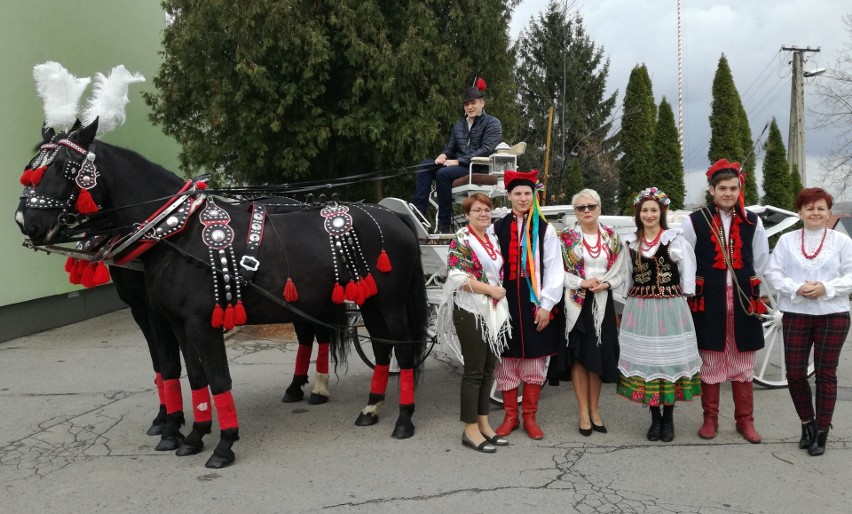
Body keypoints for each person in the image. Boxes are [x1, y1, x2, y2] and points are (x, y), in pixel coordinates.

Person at [681, 158, 770, 443]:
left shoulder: (752, 221)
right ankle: (710, 419)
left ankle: (745, 421)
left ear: (739, 188)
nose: (728, 193)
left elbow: (760, 260)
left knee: (744, 360)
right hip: (710, 300)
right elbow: (687, 260)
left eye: (733, 188)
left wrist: (745, 280)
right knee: (712, 359)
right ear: (711, 189)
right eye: (722, 188)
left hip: (743, 299)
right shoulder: (694, 221)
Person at [764, 188, 852, 456]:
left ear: (828, 212)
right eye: (809, 208)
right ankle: (807, 423)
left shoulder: (842, 241)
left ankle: (822, 432)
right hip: (796, 313)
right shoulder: (787, 241)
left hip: (833, 314)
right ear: (800, 212)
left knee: (826, 374)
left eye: (821, 208)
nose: (815, 213)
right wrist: (795, 288)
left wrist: (826, 287)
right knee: (795, 374)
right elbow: (772, 272)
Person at [616, 187, 702, 442]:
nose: (649, 214)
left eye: (654, 210)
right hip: (641, 309)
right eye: (645, 210)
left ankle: (669, 418)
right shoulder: (631, 242)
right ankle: (655, 417)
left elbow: (688, 270)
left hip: (670, 308)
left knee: (667, 361)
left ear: (662, 213)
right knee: (649, 361)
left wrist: (684, 295)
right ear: (638, 214)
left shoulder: (674, 240)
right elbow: (626, 274)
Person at [436, 193, 512, 453]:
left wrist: (494, 293)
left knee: (489, 367)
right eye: (477, 210)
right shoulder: (461, 239)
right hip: (470, 309)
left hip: (492, 309)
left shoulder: (491, 238)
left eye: (487, 210)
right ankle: (469, 429)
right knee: (474, 370)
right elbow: (457, 277)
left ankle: (483, 423)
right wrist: (490, 290)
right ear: (467, 215)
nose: (483, 214)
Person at [492, 169, 563, 440]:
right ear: (509, 196)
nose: (523, 198)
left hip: (534, 304)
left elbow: (554, 269)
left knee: (535, 362)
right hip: (506, 302)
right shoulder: (496, 227)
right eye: (518, 193)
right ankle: (510, 416)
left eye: (527, 194)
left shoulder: (545, 229)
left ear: (534, 196)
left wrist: (546, 305)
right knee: (506, 361)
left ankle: (530, 417)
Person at [560, 189, 626, 436]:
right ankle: (583, 412)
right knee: (579, 358)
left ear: (599, 208)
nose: (587, 211)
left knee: (596, 359)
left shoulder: (612, 237)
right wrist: (580, 283)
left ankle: (596, 410)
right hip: (576, 303)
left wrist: (607, 284)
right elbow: (557, 272)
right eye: (581, 208)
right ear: (575, 212)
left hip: (602, 302)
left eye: (591, 206)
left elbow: (621, 273)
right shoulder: (566, 238)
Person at [414, 78, 502, 233]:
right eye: (466, 104)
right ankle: (418, 214)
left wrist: (457, 161)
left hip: (477, 167)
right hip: (458, 165)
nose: (470, 107)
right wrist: (443, 155)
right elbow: (450, 147)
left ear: (482, 103)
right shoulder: (459, 124)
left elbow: (487, 149)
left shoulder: (492, 123)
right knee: (425, 166)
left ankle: (444, 225)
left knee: (443, 174)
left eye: (473, 103)